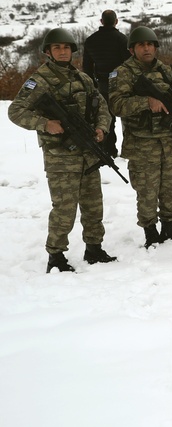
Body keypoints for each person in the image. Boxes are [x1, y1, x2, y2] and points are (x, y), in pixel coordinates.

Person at [8, 28, 117, 272]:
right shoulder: (39, 80)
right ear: (48, 52)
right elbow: (15, 111)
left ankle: (94, 248)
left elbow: (102, 108)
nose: (62, 51)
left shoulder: (83, 79)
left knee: (93, 205)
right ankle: (56, 256)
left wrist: (101, 128)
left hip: (88, 153)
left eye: (66, 48)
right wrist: (46, 124)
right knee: (64, 209)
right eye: (57, 48)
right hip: (61, 157)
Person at [109, 26, 172, 247]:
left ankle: (169, 230)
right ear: (132, 49)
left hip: (169, 141)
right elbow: (116, 105)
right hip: (142, 144)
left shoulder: (165, 70)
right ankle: (151, 234)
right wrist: (146, 102)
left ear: (155, 48)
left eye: (150, 45)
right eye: (141, 45)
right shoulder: (122, 73)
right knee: (146, 192)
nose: (146, 48)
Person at [82, 9, 130, 157]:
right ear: (116, 21)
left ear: (101, 22)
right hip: (123, 84)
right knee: (128, 117)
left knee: (106, 119)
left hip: (102, 84)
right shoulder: (122, 39)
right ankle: (129, 149)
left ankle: (109, 150)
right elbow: (129, 64)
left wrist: (93, 87)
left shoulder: (91, 41)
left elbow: (87, 67)